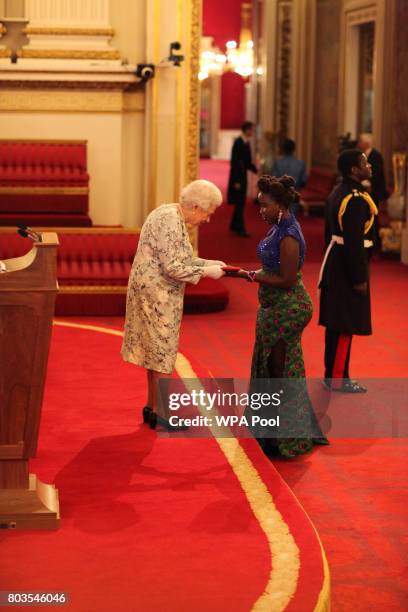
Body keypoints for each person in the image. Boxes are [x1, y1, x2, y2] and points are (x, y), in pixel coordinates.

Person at [230, 175, 328, 458]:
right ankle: (269, 431)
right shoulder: (277, 227)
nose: (260, 211)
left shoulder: (288, 236)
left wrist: (250, 276)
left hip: (289, 308)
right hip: (274, 308)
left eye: (265, 206)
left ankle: (285, 438)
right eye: (259, 205)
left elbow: (286, 280)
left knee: (279, 370)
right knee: (271, 368)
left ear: (281, 206)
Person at [121, 180, 225, 430]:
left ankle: (152, 409)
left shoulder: (170, 213)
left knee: (155, 353)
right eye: (208, 214)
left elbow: (183, 258)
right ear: (198, 206)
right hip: (156, 297)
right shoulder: (170, 219)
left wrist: (209, 263)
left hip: (154, 294)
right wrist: (207, 273)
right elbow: (173, 267)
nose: (207, 220)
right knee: (163, 352)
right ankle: (162, 414)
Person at [319, 149, 378, 392]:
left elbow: (328, 234)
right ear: (354, 170)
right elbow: (354, 242)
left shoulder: (339, 191)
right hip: (347, 268)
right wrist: (359, 278)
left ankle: (334, 374)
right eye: (364, 162)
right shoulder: (354, 198)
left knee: (337, 323)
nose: (369, 165)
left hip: (336, 262)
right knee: (345, 324)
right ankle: (338, 378)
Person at [227, 121, 258, 237]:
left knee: (241, 202)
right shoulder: (238, 143)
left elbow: (247, 162)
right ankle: (240, 228)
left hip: (242, 176)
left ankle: (234, 225)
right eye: (251, 130)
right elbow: (234, 163)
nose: (253, 132)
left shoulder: (246, 143)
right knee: (240, 203)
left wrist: (256, 170)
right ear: (246, 130)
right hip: (238, 178)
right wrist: (236, 181)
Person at [271, 139, 307, 215]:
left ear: (283, 149)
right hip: (294, 194)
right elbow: (304, 181)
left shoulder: (278, 163)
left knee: (281, 218)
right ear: (294, 149)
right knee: (292, 217)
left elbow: (273, 180)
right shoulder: (300, 163)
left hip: (281, 195)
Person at [357, 133, 388, 205]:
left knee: (373, 209)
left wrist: (369, 184)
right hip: (366, 187)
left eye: (361, 141)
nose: (359, 144)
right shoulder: (363, 154)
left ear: (366, 143)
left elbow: (377, 173)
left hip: (375, 188)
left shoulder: (376, 155)